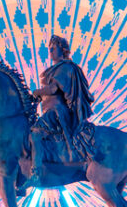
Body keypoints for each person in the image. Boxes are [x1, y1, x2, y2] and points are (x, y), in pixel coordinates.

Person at [28, 35, 94, 186]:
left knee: (35, 134)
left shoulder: (64, 68)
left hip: (57, 112)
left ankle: (36, 173)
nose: (50, 53)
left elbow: (53, 89)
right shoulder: (60, 68)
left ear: (62, 50)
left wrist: (37, 91)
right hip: (52, 111)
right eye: (49, 50)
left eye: (53, 49)